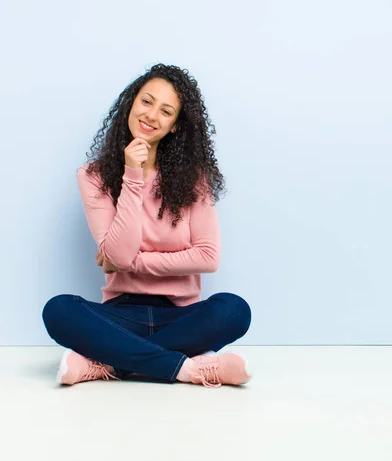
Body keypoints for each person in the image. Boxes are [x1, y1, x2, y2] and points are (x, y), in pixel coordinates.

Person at [42, 63, 252, 388]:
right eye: (146, 102)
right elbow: (119, 255)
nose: (152, 115)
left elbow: (208, 256)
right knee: (58, 310)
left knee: (234, 310)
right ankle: (188, 368)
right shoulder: (93, 176)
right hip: (120, 314)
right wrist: (132, 175)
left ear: (174, 127)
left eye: (166, 111)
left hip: (181, 314)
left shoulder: (194, 180)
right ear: (131, 104)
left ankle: (109, 363)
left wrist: (136, 262)